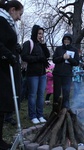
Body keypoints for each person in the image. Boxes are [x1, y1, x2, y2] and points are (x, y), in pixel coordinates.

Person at [0, 0, 23, 149]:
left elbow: (7, 41)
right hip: (2, 70)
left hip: (6, 70)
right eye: (19, 14)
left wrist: (16, 48)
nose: (19, 18)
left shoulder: (8, 23)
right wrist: (9, 55)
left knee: (2, 107)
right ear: (12, 9)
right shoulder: (1, 20)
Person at [21, 25, 50, 124]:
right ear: (34, 33)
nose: (41, 35)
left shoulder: (41, 44)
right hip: (32, 74)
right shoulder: (28, 43)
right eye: (39, 33)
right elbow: (24, 56)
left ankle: (40, 115)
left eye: (42, 34)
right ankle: (33, 116)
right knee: (32, 95)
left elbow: (47, 55)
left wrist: (44, 44)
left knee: (41, 95)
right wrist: (38, 58)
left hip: (42, 74)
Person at [52, 33, 79, 111]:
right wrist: (62, 57)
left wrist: (69, 58)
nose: (66, 41)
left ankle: (65, 109)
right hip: (57, 74)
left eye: (68, 39)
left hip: (67, 75)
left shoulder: (74, 50)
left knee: (66, 93)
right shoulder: (58, 49)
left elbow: (76, 62)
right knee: (56, 93)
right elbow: (54, 60)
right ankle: (55, 110)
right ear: (63, 40)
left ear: (70, 41)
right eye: (65, 39)